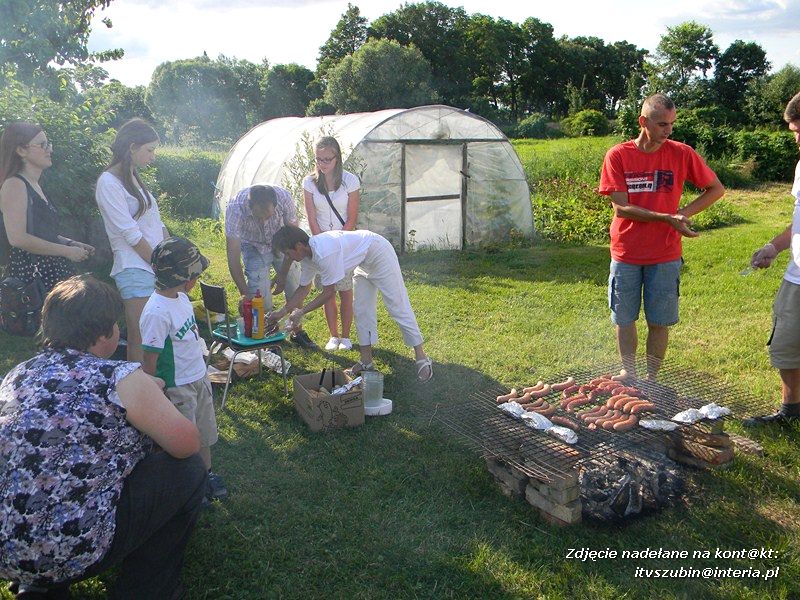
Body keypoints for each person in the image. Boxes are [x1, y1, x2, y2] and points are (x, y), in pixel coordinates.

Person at [0, 275, 206, 599]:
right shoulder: (118, 375)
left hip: (6, 547)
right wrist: (152, 393)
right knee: (189, 470)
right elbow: (187, 443)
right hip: (73, 548)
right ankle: (146, 589)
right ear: (108, 333)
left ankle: (39, 585)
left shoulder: (18, 374)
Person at [598, 94, 724, 379]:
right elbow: (621, 207)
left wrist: (683, 213)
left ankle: (651, 380)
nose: (668, 131)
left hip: (665, 254)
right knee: (625, 318)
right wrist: (666, 218)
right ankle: (628, 374)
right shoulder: (618, 155)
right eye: (661, 124)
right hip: (626, 252)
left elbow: (715, 188)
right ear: (643, 122)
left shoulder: (681, 152)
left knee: (659, 320)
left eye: (671, 124)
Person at [269, 225, 433, 383]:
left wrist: (301, 312)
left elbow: (328, 293)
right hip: (362, 262)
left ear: (298, 246)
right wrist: (281, 312)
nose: (287, 258)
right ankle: (366, 362)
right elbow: (304, 288)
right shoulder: (305, 257)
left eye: (287, 253)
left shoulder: (325, 252)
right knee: (361, 310)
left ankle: (421, 357)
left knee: (397, 305)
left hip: (379, 252)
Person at [140, 236, 227, 501]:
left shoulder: (181, 298)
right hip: (177, 386)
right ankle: (187, 487)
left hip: (198, 378)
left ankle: (206, 474)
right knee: (184, 439)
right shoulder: (156, 312)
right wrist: (156, 391)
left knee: (204, 433)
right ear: (187, 278)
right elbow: (150, 358)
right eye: (195, 276)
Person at [744, 91, 800, 425]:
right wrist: (773, 248)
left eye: (799, 131)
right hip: (796, 277)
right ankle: (791, 412)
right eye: (794, 132)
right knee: (785, 346)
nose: (797, 139)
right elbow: (798, 222)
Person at [95, 118, 167, 363]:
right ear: (132, 147)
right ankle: (137, 393)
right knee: (140, 337)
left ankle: (153, 387)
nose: (153, 156)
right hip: (134, 268)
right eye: (150, 150)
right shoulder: (108, 182)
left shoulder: (131, 177)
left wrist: (172, 253)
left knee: (156, 336)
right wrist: (162, 265)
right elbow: (131, 234)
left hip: (151, 265)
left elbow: (154, 224)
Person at [0, 122, 93, 291]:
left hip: (49, 274)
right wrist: (66, 251)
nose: (50, 149)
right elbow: (17, 238)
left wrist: (71, 243)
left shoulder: (34, 184)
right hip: (31, 279)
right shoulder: (15, 184)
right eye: (42, 145)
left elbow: (41, 232)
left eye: (48, 144)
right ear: (21, 150)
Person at [224, 183, 316, 349]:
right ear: (250, 207)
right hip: (253, 246)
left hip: (282, 244)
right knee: (260, 297)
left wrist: (282, 274)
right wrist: (244, 292)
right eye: (258, 217)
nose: (263, 221)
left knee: (293, 285)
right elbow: (233, 256)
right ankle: (269, 337)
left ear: (275, 206)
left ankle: (296, 331)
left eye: (268, 216)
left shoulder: (284, 198)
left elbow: (293, 241)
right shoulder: (235, 208)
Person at [303, 136, 360, 351]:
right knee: (327, 290)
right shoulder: (309, 182)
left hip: (344, 242)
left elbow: (352, 217)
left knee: (345, 289)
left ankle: (345, 336)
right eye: (318, 159)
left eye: (327, 159)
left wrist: (339, 243)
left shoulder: (350, 181)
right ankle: (333, 335)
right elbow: (311, 216)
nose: (322, 164)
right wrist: (321, 242)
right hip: (319, 243)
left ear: (337, 158)